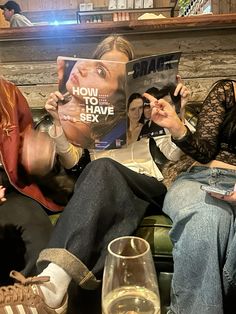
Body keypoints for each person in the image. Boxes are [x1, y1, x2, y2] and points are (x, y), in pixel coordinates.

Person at [0, 35, 189, 313]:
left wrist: (177, 119)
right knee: (98, 173)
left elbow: (174, 156)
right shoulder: (88, 118)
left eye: (109, 73)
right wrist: (59, 122)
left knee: (101, 168)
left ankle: (50, 286)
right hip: (106, 191)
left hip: (147, 185)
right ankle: (64, 295)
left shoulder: (150, 112)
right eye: (100, 68)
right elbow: (73, 163)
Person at [144, 79, 236, 314]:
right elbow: (204, 151)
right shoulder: (227, 90)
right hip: (203, 177)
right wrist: (177, 126)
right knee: (207, 217)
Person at [0, 78, 65, 286]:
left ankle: (37, 300)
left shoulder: (8, 92)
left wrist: (39, 160)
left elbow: (23, 144)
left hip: (11, 193)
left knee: (38, 234)